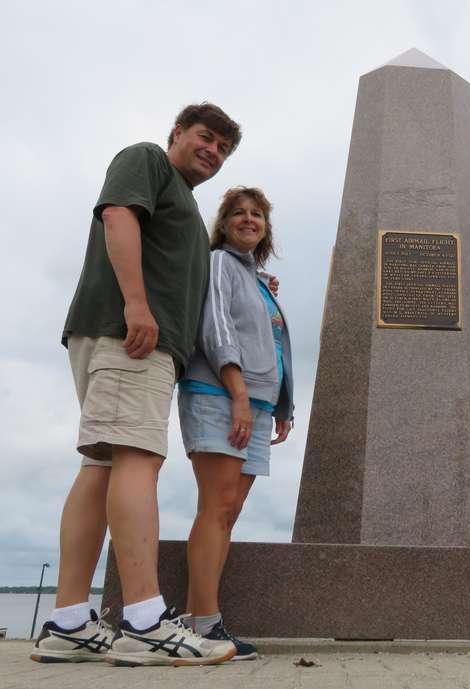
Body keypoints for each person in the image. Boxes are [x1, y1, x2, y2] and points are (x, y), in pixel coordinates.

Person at [31, 104, 242, 667]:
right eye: (205, 137)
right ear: (176, 133)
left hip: (132, 340)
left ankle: (71, 623)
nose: (213, 151)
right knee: (136, 458)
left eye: (223, 148)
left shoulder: (185, 203)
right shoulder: (147, 160)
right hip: (133, 336)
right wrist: (136, 304)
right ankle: (146, 623)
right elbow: (118, 215)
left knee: (102, 466)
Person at [178, 186, 294, 660]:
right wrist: (240, 394)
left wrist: (281, 406)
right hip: (221, 396)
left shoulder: (258, 280)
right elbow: (217, 329)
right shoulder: (219, 263)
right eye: (239, 213)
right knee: (217, 507)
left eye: (257, 214)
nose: (249, 220)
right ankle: (205, 625)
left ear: (266, 228)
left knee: (228, 512)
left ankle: (196, 620)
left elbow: (275, 347)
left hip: (257, 404)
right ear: (223, 224)